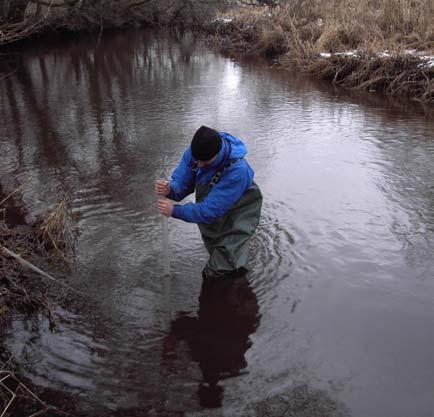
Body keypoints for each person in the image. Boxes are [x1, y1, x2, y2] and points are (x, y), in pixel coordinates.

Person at [156, 125, 262, 279]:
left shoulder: (238, 170)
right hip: (215, 204)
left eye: (205, 162)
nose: (199, 165)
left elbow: (208, 211)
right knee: (214, 244)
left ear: (217, 154)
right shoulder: (196, 152)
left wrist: (174, 211)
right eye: (197, 160)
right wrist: (170, 189)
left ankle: (231, 292)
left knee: (219, 271)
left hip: (241, 208)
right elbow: (183, 183)